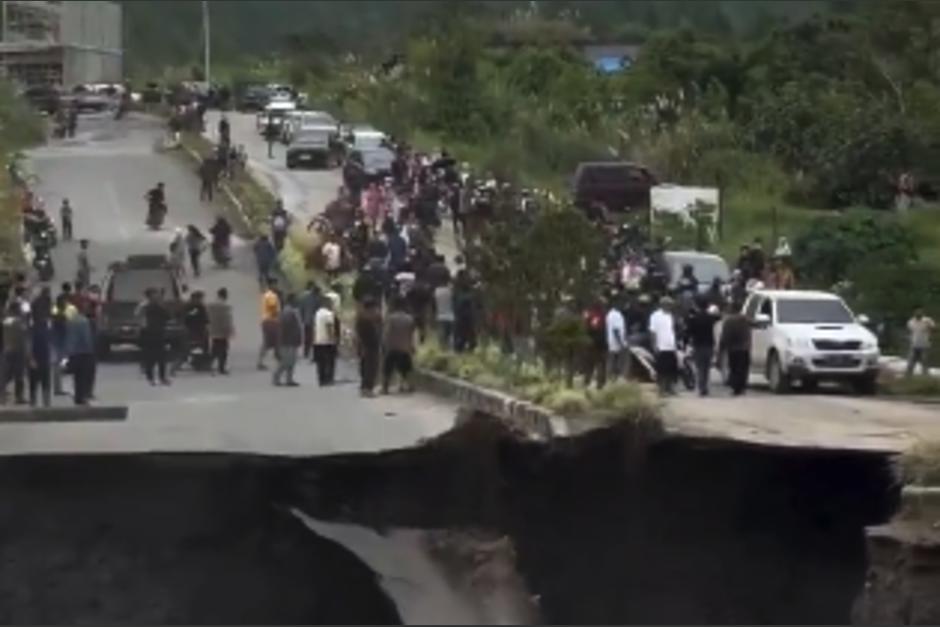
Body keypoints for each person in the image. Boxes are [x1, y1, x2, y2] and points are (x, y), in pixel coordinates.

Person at [686, 300, 721, 397]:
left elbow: (689, 332)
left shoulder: (694, 319)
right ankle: (705, 387)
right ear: (707, 307)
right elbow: (719, 317)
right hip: (709, 345)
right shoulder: (711, 318)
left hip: (698, 345)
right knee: (707, 368)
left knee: (700, 368)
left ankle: (702, 388)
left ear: (697, 306)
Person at [138, 288, 172, 385]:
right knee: (153, 356)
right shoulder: (154, 306)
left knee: (158, 356)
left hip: (155, 333)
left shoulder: (145, 305)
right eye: (155, 294)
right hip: (151, 333)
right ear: (150, 296)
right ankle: (154, 378)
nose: (157, 296)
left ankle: (158, 378)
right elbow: (168, 316)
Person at [383, 297, 416, 394]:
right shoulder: (409, 318)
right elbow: (412, 334)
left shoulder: (391, 318)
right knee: (407, 368)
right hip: (405, 347)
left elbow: (387, 332)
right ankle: (410, 385)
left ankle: (385, 387)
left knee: (388, 368)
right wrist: (412, 346)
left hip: (392, 347)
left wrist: (385, 344)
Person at [64, 304, 96, 405]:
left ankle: (77, 397)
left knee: (76, 376)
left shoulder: (70, 322)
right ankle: (82, 396)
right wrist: (90, 349)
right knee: (83, 375)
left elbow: (67, 336)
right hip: (83, 351)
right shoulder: (84, 321)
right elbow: (86, 337)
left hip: (73, 352)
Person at [27, 287, 53, 407]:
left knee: (39, 380)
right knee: (40, 380)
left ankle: (41, 402)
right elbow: (30, 342)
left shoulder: (42, 326)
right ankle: (40, 403)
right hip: (39, 356)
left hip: (43, 356)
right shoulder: (37, 327)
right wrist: (31, 357)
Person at [649, 296, 679, 396]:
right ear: (662, 304)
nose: (669, 306)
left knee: (671, 369)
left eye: (670, 305)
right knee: (661, 370)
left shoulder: (671, 315)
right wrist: (654, 345)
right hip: (661, 346)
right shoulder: (655, 315)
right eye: (667, 304)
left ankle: (669, 388)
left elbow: (673, 330)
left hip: (671, 345)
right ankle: (661, 390)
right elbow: (653, 331)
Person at [720, 303, 752, 396]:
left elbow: (725, 335)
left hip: (733, 348)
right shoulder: (745, 319)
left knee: (734, 368)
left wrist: (722, 346)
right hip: (744, 347)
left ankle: (735, 388)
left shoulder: (728, 321)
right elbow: (755, 324)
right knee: (743, 368)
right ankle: (741, 387)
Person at [273, 293, 303, 387]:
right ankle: (276, 377)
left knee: (292, 361)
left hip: (292, 340)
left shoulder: (293, 311)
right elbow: (284, 328)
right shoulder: (287, 312)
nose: (297, 301)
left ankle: (289, 379)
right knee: (286, 361)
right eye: (295, 299)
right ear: (291, 301)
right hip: (287, 340)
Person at [1, 303, 28, 405]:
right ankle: (19, 397)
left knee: (6, 374)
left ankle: (2, 396)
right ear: (16, 310)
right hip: (17, 350)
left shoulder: (6, 321)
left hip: (7, 349)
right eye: (20, 309)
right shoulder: (19, 322)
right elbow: (22, 337)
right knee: (19, 375)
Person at [356, 297, 383, 397]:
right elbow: (376, 332)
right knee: (371, 367)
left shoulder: (361, 316)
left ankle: (364, 387)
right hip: (371, 346)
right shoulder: (369, 317)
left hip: (363, 345)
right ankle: (368, 389)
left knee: (365, 366)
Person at [179, 290, 209, 372]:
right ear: (196, 298)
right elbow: (205, 318)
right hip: (197, 329)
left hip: (189, 329)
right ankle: (200, 363)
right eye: (200, 298)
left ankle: (187, 362)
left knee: (190, 346)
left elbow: (183, 317)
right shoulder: (199, 306)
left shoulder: (186, 306)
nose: (201, 300)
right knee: (201, 346)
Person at [207, 287, 234, 375]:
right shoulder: (225, 306)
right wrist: (230, 330)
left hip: (213, 330)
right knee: (223, 350)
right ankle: (221, 368)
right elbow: (227, 320)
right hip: (222, 331)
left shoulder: (210, 305)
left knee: (214, 349)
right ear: (225, 295)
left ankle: (209, 365)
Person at [313, 296, 339, 386]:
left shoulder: (317, 313)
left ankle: (322, 379)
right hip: (327, 341)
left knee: (320, 363)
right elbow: (329, 327)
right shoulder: (329, 314)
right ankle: (329, 379)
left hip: (318, 340)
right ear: (327, 304)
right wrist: (333, 339)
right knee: (329, 361)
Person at [583, 299, 608, 389]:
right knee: (600, 363)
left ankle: (587, 382)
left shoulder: (588, 314)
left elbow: (586, 327)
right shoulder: (599, 315)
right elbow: (595, 327)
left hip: (590, 342)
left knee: (590, 364)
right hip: (598, 342)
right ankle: (600, 384)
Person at [257, 278, 281, 370]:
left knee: (273, 342)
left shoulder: (266, 295)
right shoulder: (271, 296)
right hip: (271, 321)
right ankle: (261, 362)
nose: (276, 286)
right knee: (269, 342)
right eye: (275, 284)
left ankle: (278, 358)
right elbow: (273, 308)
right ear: (271, 285)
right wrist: (279, 317)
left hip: (267, 321)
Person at [907, 308, 936, 377]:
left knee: (924, 361)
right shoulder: (911, 322)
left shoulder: (927, 320)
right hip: (914, 344)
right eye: (916, 312)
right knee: (911, 361)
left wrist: (930, 329)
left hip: (924, 344)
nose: (918, 313)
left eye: (919, 312)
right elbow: (910, 331)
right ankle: (908, 375)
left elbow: (934, 328)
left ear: (922, 313)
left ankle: (925, 375)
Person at [606, 299, 628, 383]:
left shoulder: (610, 314)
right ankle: (618, 376)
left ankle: (611, 377)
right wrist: (621, 342)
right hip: (616, 341)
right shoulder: (616, 315)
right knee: (616, 359)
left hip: (612, 340)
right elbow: (616, 330)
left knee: (612, 359)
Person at [298, 281, 320, 361]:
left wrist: (302, 317)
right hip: (313, 320)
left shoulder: (304, 297)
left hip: (306, 320)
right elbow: (318, 309)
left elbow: (301, 308)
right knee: (312, 337)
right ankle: (313, 353)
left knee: (307, 337)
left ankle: (306, 352)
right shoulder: (317, 298)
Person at [433, 278, 455, 349]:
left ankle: (442, 350)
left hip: (440, 316)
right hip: (451, 316)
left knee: (442, 336)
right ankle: (450, 349)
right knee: (450, 335)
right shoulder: (451, 291)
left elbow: (433, 304)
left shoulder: (436, 291)